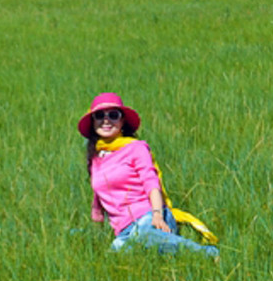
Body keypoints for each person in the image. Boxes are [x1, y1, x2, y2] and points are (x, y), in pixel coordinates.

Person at [79, 93, 219, 258]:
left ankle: (207, 254)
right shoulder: (96, 157)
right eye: (100, 115)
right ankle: (162, 245)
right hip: (123, 231)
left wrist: (158, 215)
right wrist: (96, 230)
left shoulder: (136, 148)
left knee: (144, 236)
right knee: (115, 254)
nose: (106, 120)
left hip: (147, 216)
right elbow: (98, 196)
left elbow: (151, 183)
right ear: (93, 121)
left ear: (122, 121)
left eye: (113, 115)